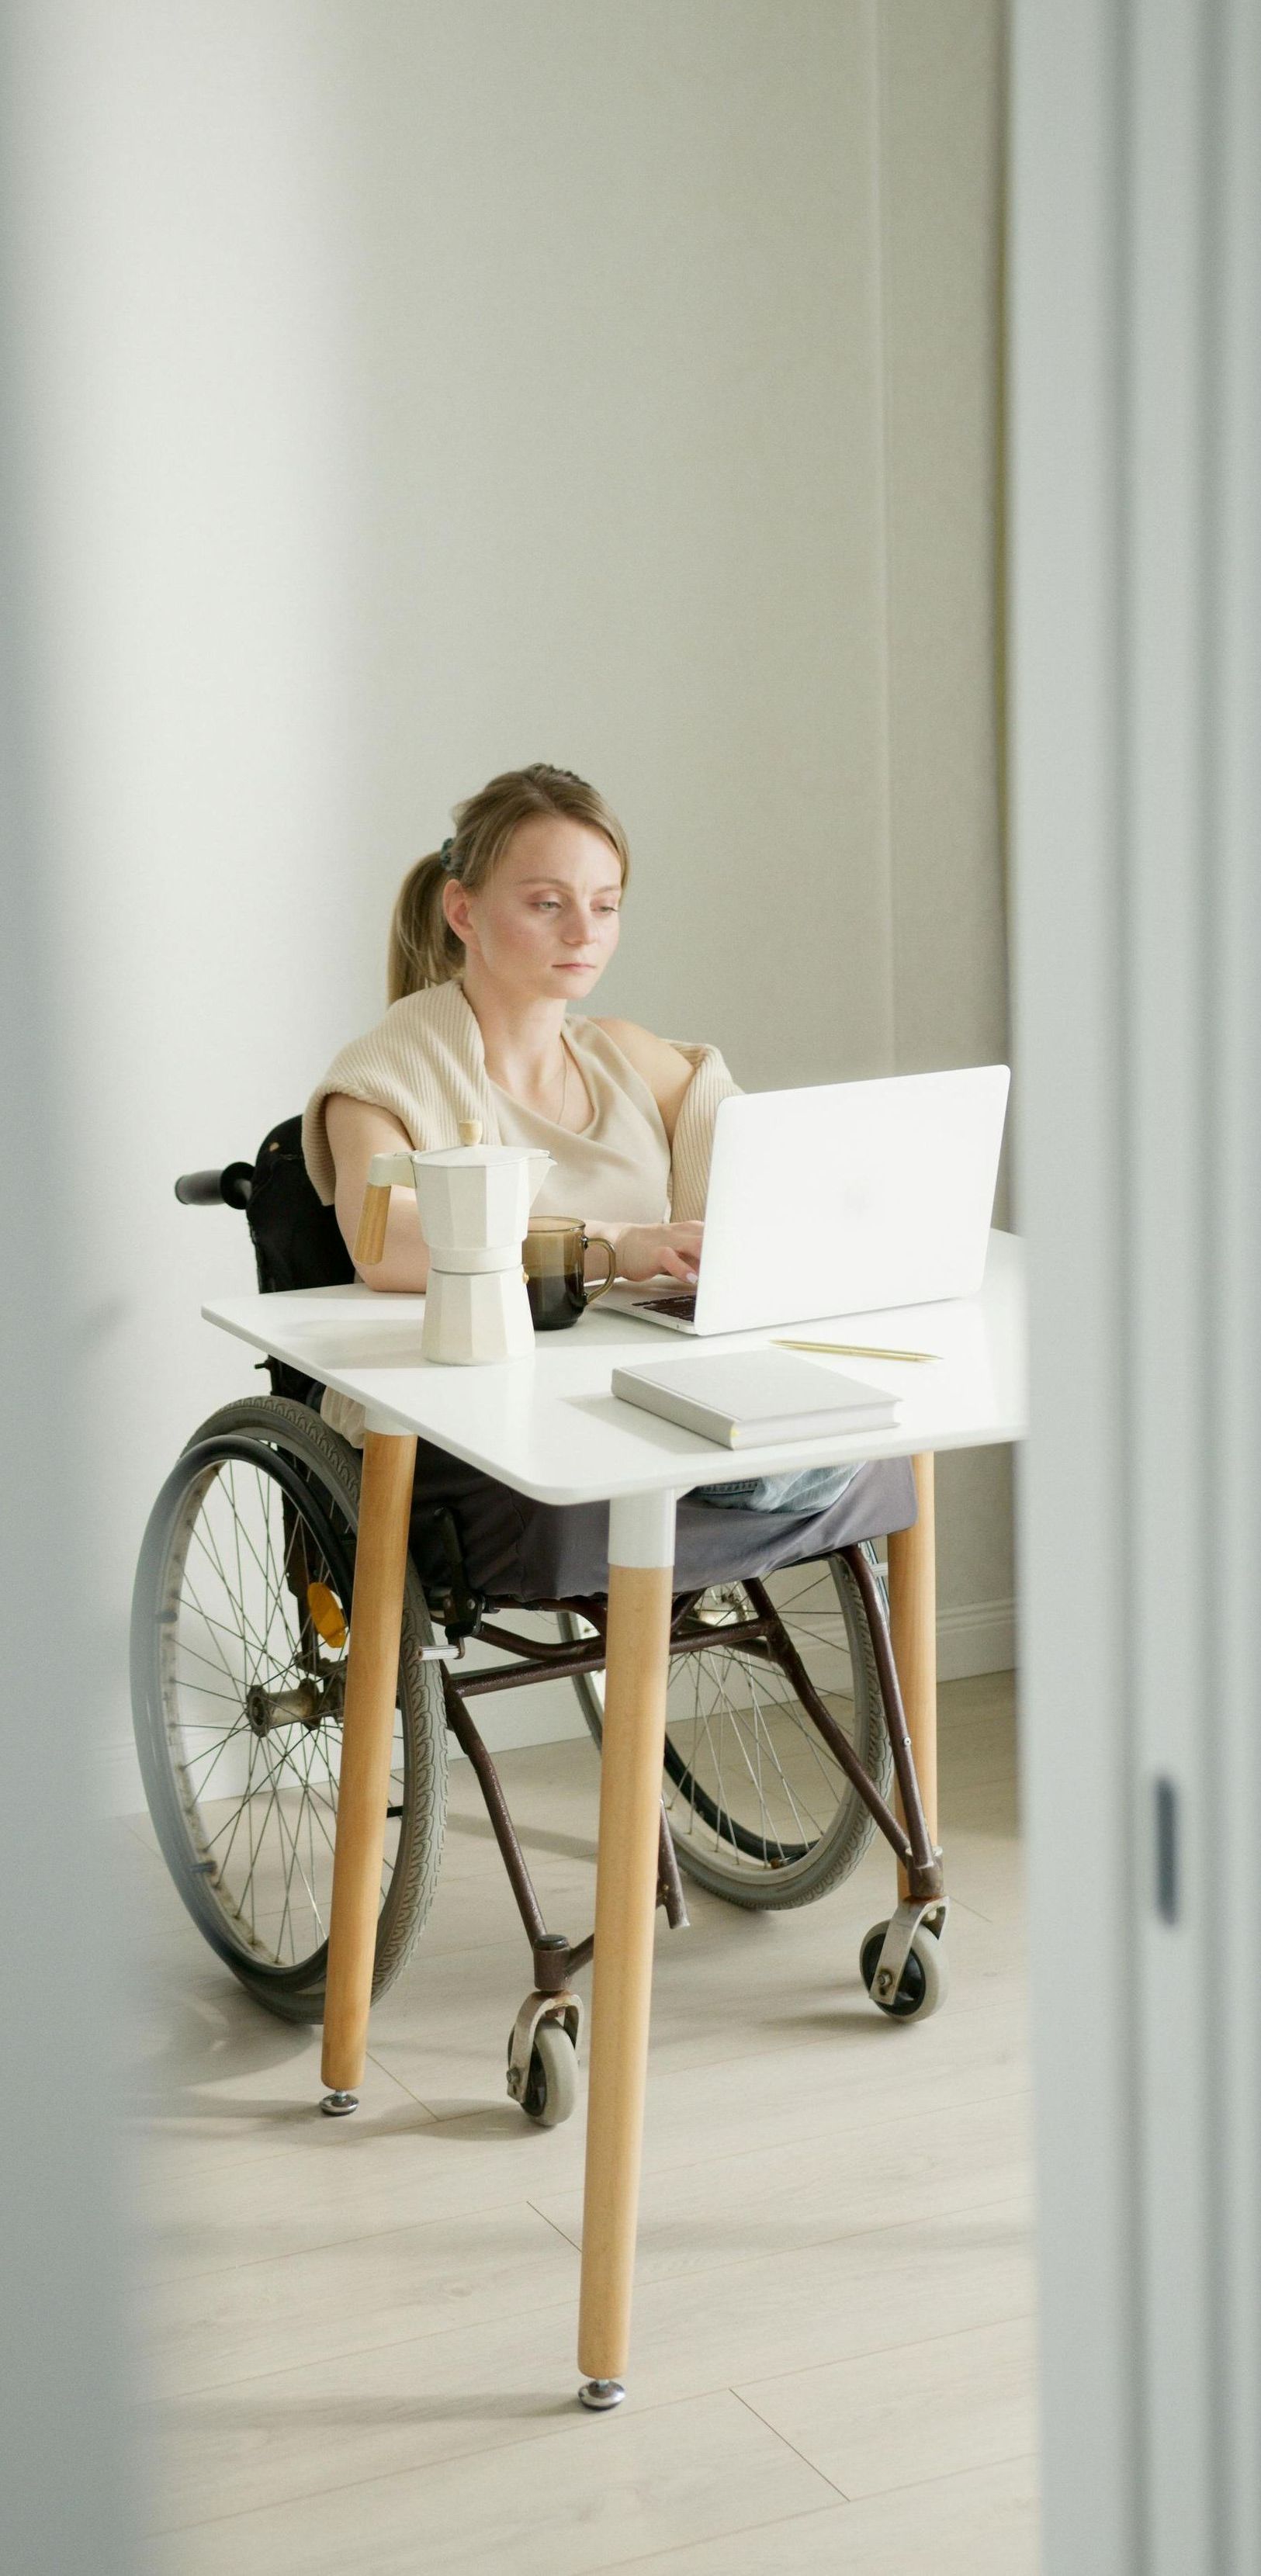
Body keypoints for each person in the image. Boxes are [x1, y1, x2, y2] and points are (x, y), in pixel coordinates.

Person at [301, 763, 875, 1597]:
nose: (584, 932)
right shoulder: (383, 1074)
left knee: (866, 1420)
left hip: (636, 1385)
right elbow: (383, 1245)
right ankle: (754, 1472)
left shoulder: (631, 1056)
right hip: (480, 1410)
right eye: (547, 903)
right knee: (821, 1451)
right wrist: (618, 1245)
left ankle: (755, 1467)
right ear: (463, 910)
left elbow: (762, 1169)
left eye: (605, 905)